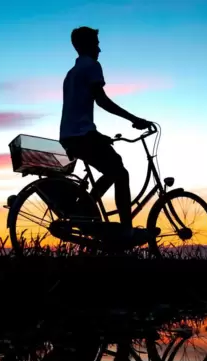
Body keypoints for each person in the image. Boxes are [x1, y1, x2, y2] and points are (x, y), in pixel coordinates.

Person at [59, 26, 154, 245]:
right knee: (120, 173)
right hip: (81, 135)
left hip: (71, 134)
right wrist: (134, 119)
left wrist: (96, 133)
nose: (100, 49)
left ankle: (85, 207)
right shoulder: (92, 66)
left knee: (113, 168)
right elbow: (101, 100)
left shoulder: (71, 74)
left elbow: (77, 109)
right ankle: (126, 231)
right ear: (87, 45)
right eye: (96, 44)